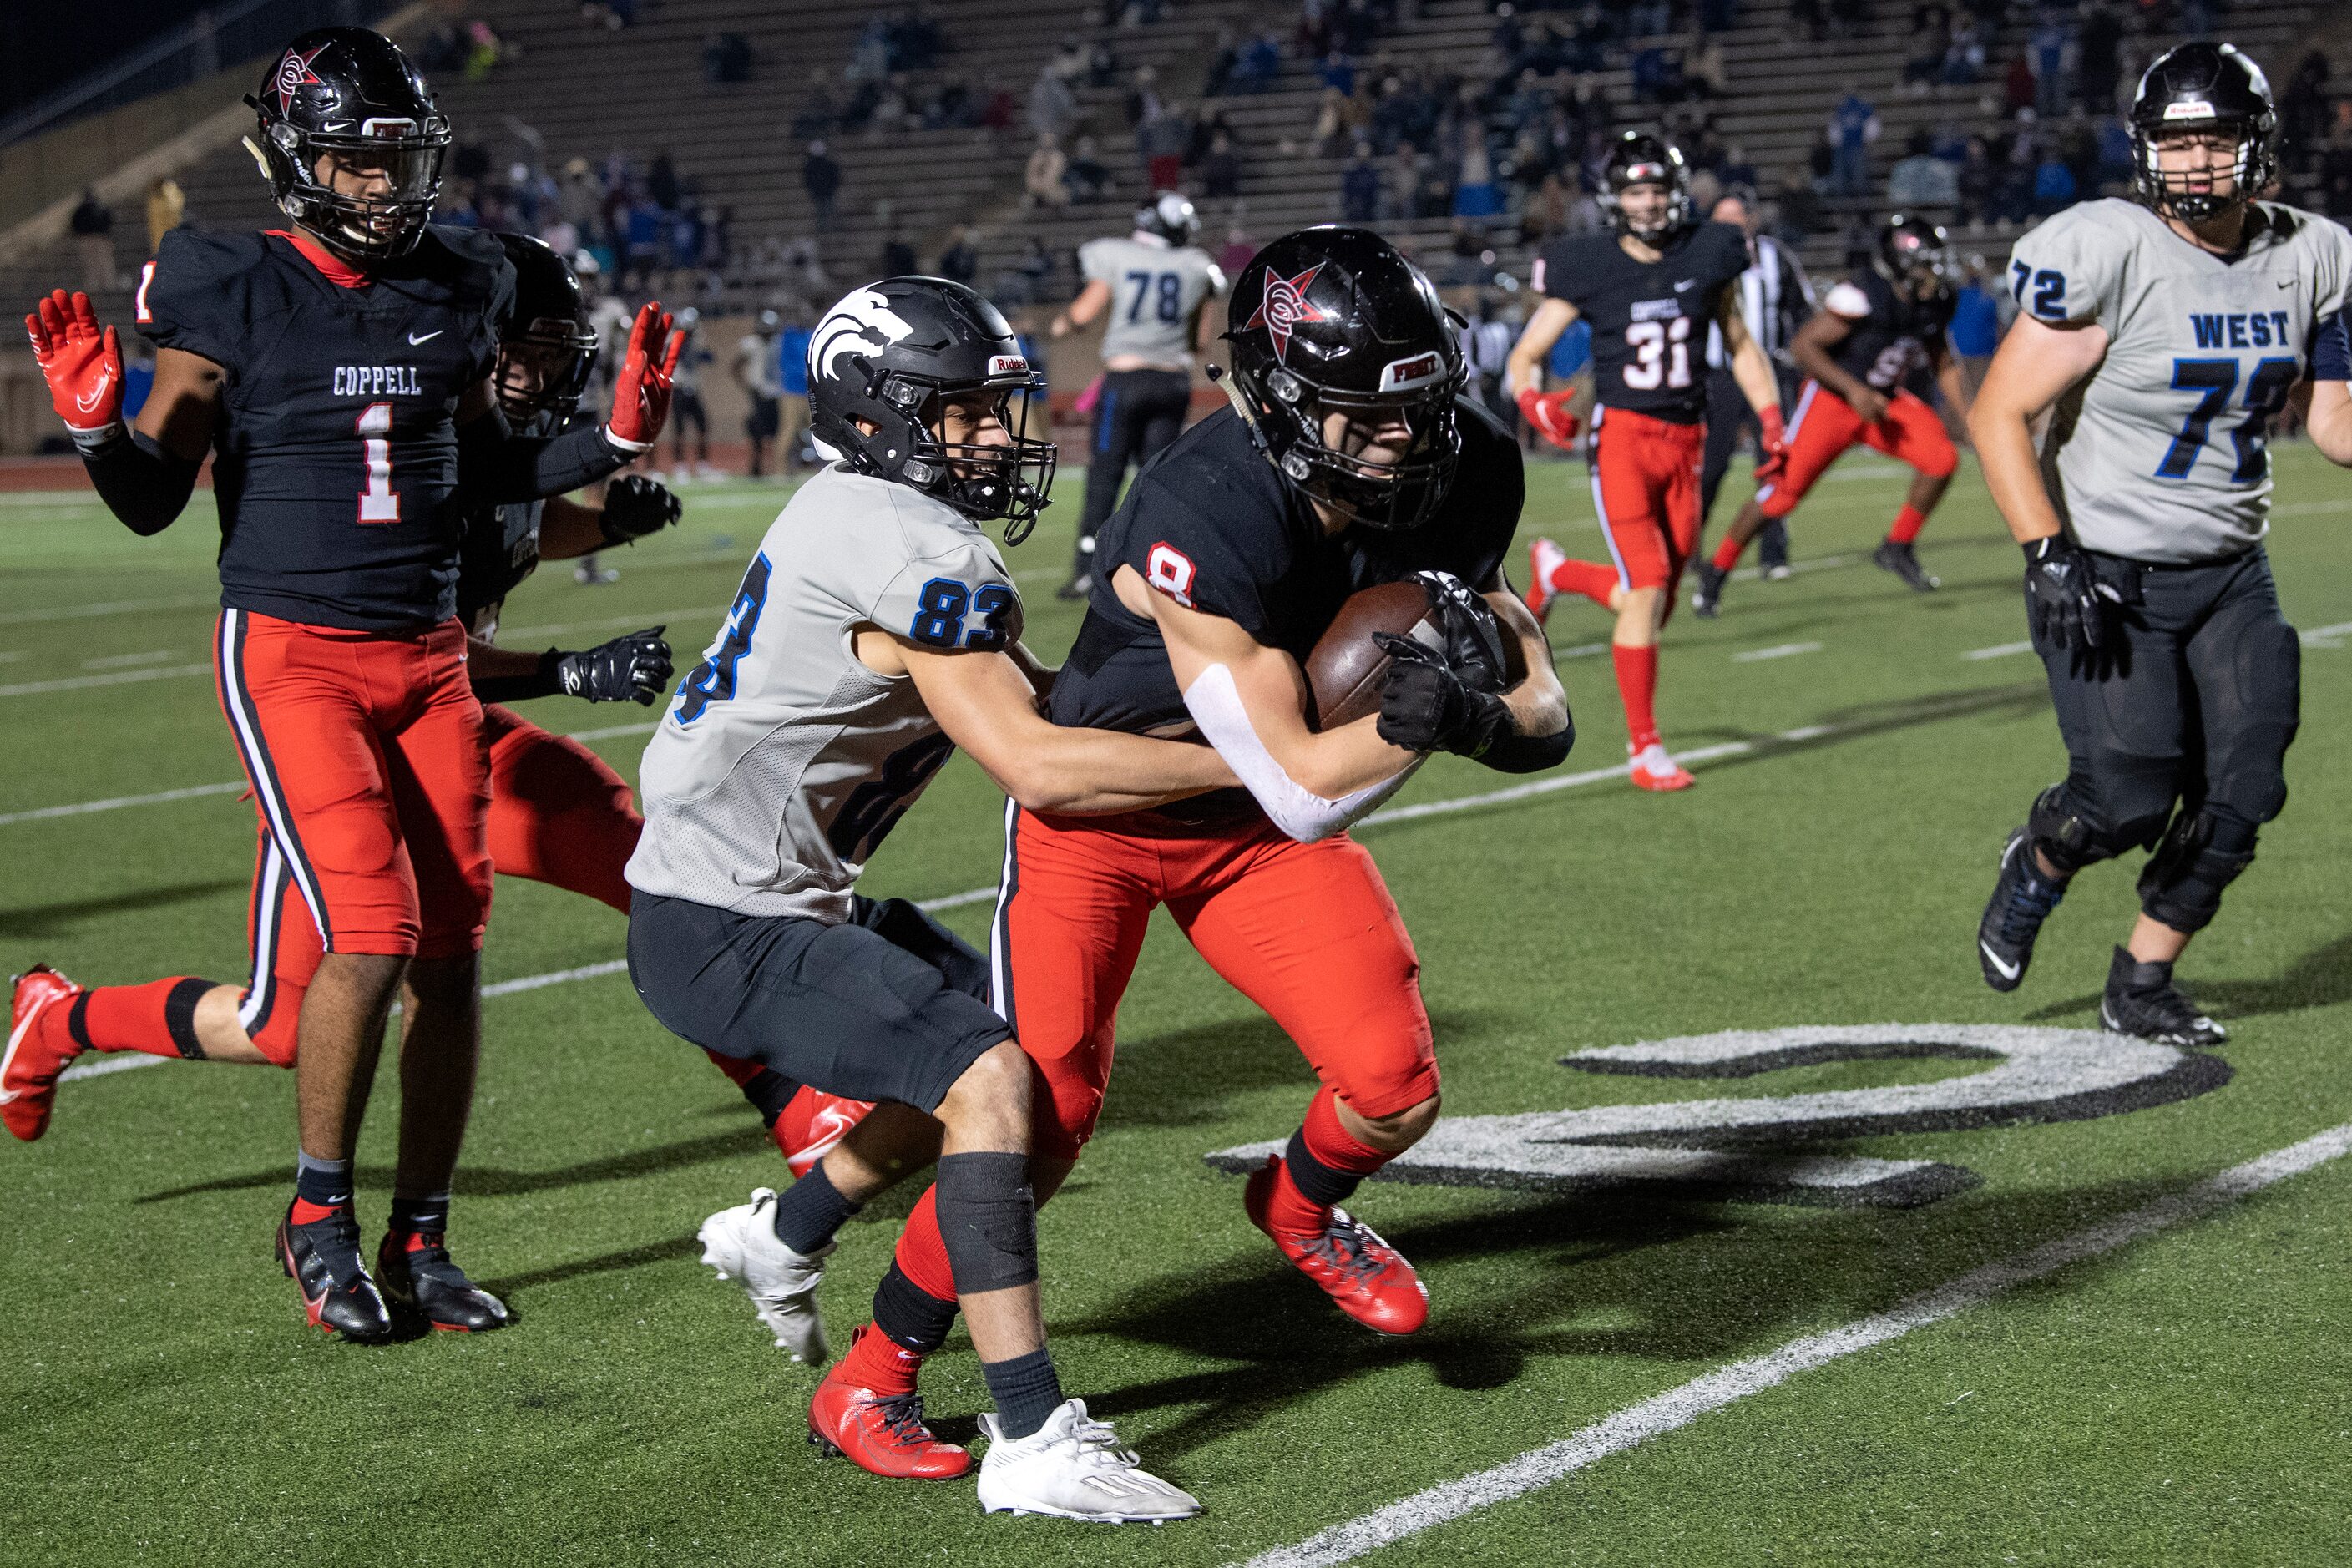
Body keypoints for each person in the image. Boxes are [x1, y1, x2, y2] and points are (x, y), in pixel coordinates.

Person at [821, 230, 1571, 1492]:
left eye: (1421, 402)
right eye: (1361, 415)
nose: (1405, 440)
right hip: (1109, 820)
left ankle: (1296, 1203)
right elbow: (1293, 780)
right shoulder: (1199, 503)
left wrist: (1490, 715)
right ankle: (871, 1371)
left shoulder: (1467, 459)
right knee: (1037, 1120)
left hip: (1256, 834)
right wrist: (1412, 720)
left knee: (1393, 1085)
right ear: (1274, 400)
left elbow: (1534, 677)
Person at [9, 28, 680, 1342]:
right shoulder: (230, 285)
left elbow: (485, 475)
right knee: (367, 936)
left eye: (400, 162)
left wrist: (613, 441)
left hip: (428, 658)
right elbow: (153, 502)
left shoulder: (462, 277)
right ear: (300, 166)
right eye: (357, 165)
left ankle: (419, 1233)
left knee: (453, 951)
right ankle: (315, 1217)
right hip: (296, 652)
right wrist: (96, 429)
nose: (384, 189)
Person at [629, 277, 1227, 1519]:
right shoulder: (914, 548)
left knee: (988, 1053)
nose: (995, 437)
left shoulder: (867, 512)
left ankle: (782, 1232)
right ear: (875, 414)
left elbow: (1051, 698)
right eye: (958, 414)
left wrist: (1221, 695)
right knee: (994, 1080)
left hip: (761, 893)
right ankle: (1032, 1435)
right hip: (727, 921)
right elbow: (1042, 762)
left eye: (992, 409)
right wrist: (1259, 766)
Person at [1970, 43, 2352, 1044]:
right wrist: (2047, 553)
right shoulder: (2109, 248)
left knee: (2246, 790)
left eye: (2212, 136)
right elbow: (1998, 413)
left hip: (2232, 571)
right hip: (2106, 569)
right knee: (2128, 798)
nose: (2191, 162)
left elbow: (2336, 429)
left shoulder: (2315, 253)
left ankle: (2141, 980)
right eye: (2173, 141)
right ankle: (2041, 860)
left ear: (2256, 142)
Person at [1505, 134, 1786, 791]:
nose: (1649, 201)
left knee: (1653, 604)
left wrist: (1771, 421)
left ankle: (1557, 570)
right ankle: (1643, 748)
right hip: (1623, 438)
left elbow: (1741, 345)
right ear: (1614, 198)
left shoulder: (1708, 250)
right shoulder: (1588, 264)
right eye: (1635, 189)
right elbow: (1525, 353)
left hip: (1686, 439)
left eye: (1657, 188)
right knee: (1650, 585)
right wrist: (1532, 401)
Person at [1694, 214, 1968, 615]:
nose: (1933, 275)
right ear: (1899, 267)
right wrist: (1854, 390)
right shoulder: (1864, 293)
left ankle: (1897, 547)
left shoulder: (1937, 302)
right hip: (1833, 402)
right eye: (1925, 265)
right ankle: (1715, 574)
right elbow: (1805, 347)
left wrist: (1972, 416)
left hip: (1883, 403)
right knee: (1780, 497)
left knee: (1942, 459)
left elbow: (1943, 359)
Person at [1049, 191, 1225, 599]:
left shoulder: (1115, 255)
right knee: (1157, 477)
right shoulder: (1198, 266)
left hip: (1125, 383)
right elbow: (1199, 341)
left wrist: (1061, 325)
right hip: (1173, 384)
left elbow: (1083, 313)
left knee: (1104, 477)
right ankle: (1160, 570)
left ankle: (1086, 571)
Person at [1697, 190, 1814, 574]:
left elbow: (1802, 311)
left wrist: (1798, 356)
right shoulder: (1698, 255)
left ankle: (1773, 553)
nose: (1729, 226)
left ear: (1751, 220)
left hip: (1766, 375)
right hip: (1717, 378)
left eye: (1736, 218)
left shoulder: (1775, 257)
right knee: (1710, 467)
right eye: (1722, 219)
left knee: (1774, 464)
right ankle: (1688, 550)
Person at [665, 306, 714, 478]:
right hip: (678, 389)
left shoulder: (696, 339)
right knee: (679, 429)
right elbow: (681, 357)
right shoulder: (674, 339)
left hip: (693, 389)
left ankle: (702, 463)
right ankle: (679, 464)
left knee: (703, 425)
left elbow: (709, 357)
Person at [736, 308, 783, 477]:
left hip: (776, 393)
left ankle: (776, 467)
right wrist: (747, 385)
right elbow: (736, 366)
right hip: (759, 392)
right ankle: (756, 467)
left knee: (777, 431)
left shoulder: (779, 343)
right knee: (758, 432)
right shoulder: (752, 343)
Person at [70, 188, 118, 291]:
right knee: (99, 262)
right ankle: (105, 284)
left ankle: (101, 284)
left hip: (93, 239)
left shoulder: (81, 211)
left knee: (95, 263)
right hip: (95, 239)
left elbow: (75, 225)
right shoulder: (98, 209)